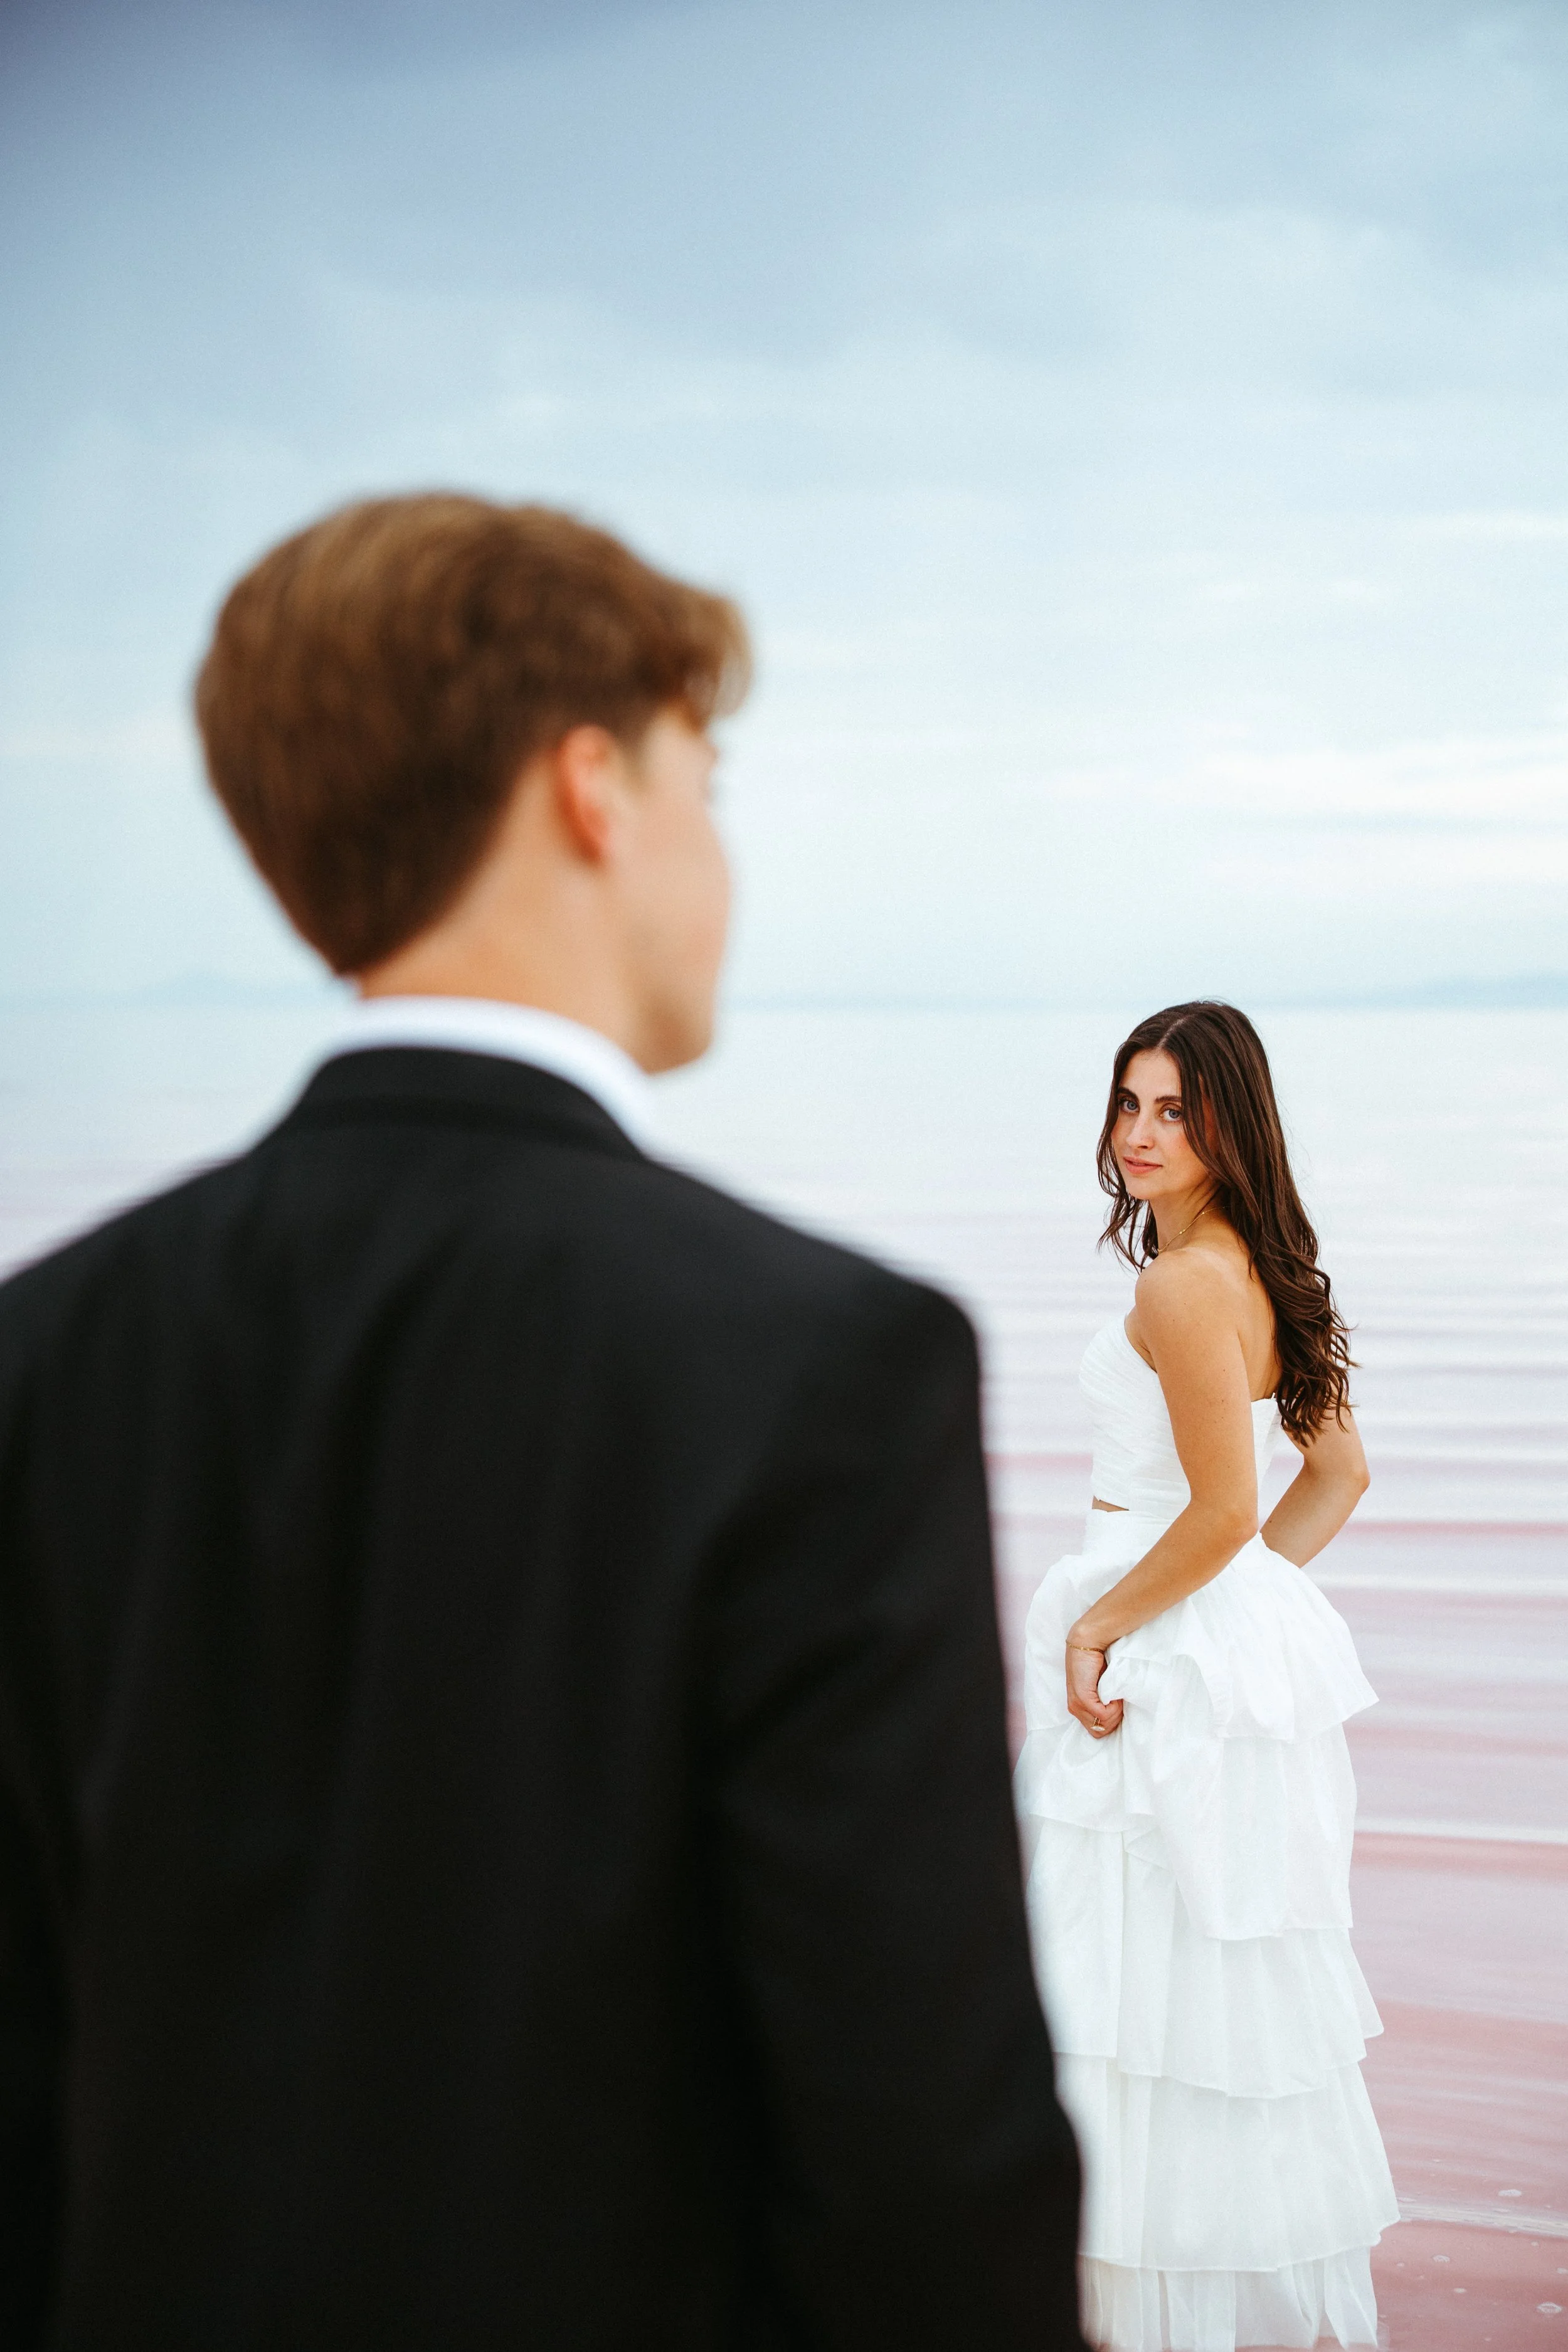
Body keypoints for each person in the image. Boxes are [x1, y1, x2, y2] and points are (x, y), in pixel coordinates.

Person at [0, 495, 1086, 2350]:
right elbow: (920, 2151)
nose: (719, 848)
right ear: (597, 785)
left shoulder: (45, 1351)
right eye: (706, 774)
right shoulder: (823, 1359)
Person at [1014, 1002, 1399, 2352]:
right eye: (1127, 1103)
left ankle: (1122, 2309)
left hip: (1146, 1647)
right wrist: (1237, 1616)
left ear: (1230, 1122)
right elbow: (1332, 1477)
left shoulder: (1176, 1287)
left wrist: (1100, 1626)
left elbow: (1224, 1511)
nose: (1139, 1134)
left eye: (1173, 1109)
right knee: (1193, 2003)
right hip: (1199, 1650)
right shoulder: (1270, 1267)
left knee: (1118, 2005)